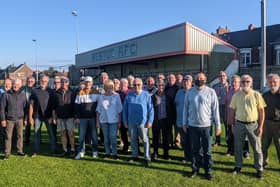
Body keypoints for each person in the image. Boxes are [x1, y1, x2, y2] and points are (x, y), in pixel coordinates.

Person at [183, 72, 221, 180]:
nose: (199, 79)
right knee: (195, 150)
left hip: (206, 126)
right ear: (194, 80)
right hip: (193, 126)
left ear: (205, 79)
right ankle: (195, 169)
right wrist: (184, 123)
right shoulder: (190, 92)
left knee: (207, 150)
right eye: (197, 78)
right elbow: (185, 109)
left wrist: (218, 125)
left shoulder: (210, 92)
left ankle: (208, 170)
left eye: (201, 78)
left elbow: (215, 110)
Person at [230, 74, 266, 179]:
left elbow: (261, 111)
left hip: (253, 125)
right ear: (240, 83)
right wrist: (232, 125)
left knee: (257, 148)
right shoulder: (236, 95)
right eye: (243, 82)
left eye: (247, 81)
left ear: (251, 83)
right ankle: (238, 166)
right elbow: (232, 110)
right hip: (239, 124)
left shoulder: (256, 95)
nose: (245, 83)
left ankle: (259, 168)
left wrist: (261, 126)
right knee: (238, 147)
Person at [123, 78, 154, 167]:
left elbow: (151, 110)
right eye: (135, 85)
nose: (136, 86)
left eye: (138, 84)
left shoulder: (146, 95)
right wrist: (125, 120)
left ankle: (147, 157)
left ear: (142, 85)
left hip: (143, 122)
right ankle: (135, 155)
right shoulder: (129, 95)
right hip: (131, 122)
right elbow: (125, 109)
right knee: (133, 139)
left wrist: (150, 121)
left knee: (145, 140)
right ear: (132, 86)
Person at [29, 75, 57, 157]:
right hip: (37, 116)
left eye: (45, 81)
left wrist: (53, 117)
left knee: (51, 134)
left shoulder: (51, 92)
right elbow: (31, 105)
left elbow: (53, 106)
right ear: (39, 81)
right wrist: (30, 117)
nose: (43, 82)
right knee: (36, 134)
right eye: (42, 81)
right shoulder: (35, 91)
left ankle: (53, 150)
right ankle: (36, 151)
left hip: (48, 116)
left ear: (47, 82)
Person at [0, 79, 27, 160]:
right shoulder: (6, 94)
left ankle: (19, 151)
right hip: (9, 119)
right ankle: (7, 153)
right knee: (8, 136)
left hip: (19, 119)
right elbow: (2, 108)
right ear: (12, 84)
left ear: (21, 85)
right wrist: (3, 120)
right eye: (15, 84)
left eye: (18, 84)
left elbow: (25, 108)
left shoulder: (23, 95)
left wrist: (25, 119)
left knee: (20, 136)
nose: (16, 86)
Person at [96, 80, 122, 159]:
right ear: (104, 88)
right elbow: (98, 110)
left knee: (113, 137)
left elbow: (119, 110)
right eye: (107, 87)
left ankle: (114, 153)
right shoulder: (101, 97)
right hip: (104, 121)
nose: (109, 88)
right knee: (106, 138)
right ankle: (107, 153)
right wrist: (97, 122)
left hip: (114, 121)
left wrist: (119, 121)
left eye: (110, 87)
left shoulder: (116, 96)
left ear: (113, 87)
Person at [74, 76, 99, 159]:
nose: (88, 83)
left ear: (92, 83)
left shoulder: (96, 92)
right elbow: (77, 106)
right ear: (84, 83)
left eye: (89, 82)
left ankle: (95, 151)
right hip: (82, 118)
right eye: (86, 82)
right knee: (81, 136)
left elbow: (99, 106)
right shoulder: (80, 92)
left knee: (94, 136)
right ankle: (81, 151)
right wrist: (77, 117)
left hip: (93, 118)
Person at [53, 77, 76, 157]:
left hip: (70, 117)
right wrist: (54, 117)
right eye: (62, 82)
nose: (63, 83)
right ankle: (64, 150)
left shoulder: (72, 92)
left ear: (68, 83)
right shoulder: (56, 93)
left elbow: (75, 106)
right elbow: (54, 107)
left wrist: (75, 117)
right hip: (60, 117)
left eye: (65, 82)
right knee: (62, 134)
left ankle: (73, 149)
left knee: (71, 134)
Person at [262, 73, 280, 168]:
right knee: (264, 145)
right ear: (267, 83)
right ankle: (264, 162)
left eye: (275, 82)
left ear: (279, 82)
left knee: (279, 146)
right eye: (270, 82)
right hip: (267, 124)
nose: (272, 84)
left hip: (278, 124)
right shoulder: (265, 95)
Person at [175, 75, 193, 162]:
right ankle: (186, 157)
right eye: (184, 81)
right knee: (184, 141)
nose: (186, 83)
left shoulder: (194, 92)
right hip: (180, 121)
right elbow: (176, 104)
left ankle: (193, 157)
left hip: (191, 122)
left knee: (192, 141)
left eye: (188, 81)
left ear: (191, 82)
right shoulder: (179, 92)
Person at [151, 80, 169, 160]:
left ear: (164, 87)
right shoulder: (153, 96)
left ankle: (166, 153)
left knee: (165, 138)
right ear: (157, 86)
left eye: (162, 85)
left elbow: (171, 108)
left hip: (165, 120)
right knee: (156, 138)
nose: (161, 87)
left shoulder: (168, 96)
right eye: (159, 85)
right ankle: (155, 152)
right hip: (156, 120)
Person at [213, 71, 229, 147]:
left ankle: (228, 140)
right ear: (219, 78)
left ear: (226, 77)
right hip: (218, 107)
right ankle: (217, 141)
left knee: (227, 124)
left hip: (226, 107)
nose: (222, 77)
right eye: (220, 76)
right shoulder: (215, 86)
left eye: (223, 76)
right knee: (217, 124)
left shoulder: (230, 86)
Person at [165, 73, 179, 148]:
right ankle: (170, 142)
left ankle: (177, 142)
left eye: (172, 78)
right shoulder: (165, 87)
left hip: (176, 110)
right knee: (169, 128)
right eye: (169, 79)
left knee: (176, 128)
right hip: (168, 111)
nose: (171, 80)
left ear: (175, 79)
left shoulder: (177, 88)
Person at [118, 78, 131, 152]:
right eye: (122, 84)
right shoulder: (117, 93)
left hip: (130, 116)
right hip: (121, 117)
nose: (123, 85)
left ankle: (136, 148)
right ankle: (126, 147)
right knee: (123, 133)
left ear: (127, 84)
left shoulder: (131, 92)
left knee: (132, 134)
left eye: (124, 84)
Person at [0, 78, 12, 153]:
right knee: (2, 132)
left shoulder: (13, 92)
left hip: (10, 116)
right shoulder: (0, 92)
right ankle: (2, 147)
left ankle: (10, 147)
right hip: (2, 115)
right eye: (6, 83)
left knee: (10, 133)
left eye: (9, 84)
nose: (7, 85)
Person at [23, 76, 36, 145]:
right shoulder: (23, 90)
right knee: (27, 126)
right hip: (26, 110)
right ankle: (27, 140)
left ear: (34, 82)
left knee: (36, 127)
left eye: (31, 81)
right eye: (28, 81)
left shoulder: (36, 89)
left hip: (35, 111)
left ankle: (38, 141)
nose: (30, 83)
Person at [52, 76, 61, 144]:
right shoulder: (52, 92)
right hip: (54, 114)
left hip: (62, 114)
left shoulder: (63, 91)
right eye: (55, 82)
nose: (56, 83)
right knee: (53, 130)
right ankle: (55, 143)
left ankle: (66, 144)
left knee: (64, 131)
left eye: (58, 82)